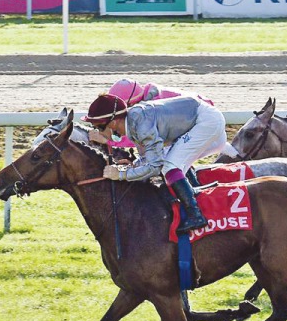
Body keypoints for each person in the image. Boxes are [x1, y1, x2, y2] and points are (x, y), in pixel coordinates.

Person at [84, 92, 228, 233]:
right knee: (171, 164)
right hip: (199, 118)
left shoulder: (140, 125)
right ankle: (196, 199)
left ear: (113, 122)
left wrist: (121, 174)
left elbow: (155, 166)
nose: (98, 131)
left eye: (99, 127)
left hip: (205, 121)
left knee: (170, 166)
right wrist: (133, 166)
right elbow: (151, 157)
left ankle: (195, 215)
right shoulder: (134, 123)